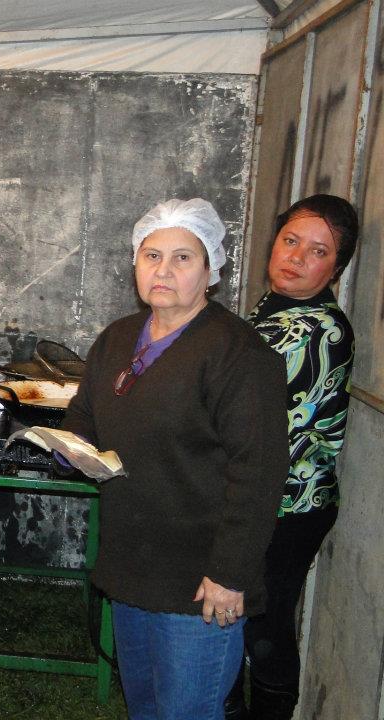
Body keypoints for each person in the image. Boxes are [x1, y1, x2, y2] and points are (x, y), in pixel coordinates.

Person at [58, 198, 289, 720]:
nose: (163, 270)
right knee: (145, 706)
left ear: (210, 272)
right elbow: (84, 415)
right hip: (133, 567)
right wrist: (69, 448)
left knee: (186, 711)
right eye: (151, 255)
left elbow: (259, 471)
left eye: (183, 258)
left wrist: (230, 573)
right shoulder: (118, 339)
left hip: (200, 583)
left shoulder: (239, 355)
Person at [224, 194, 358, 720]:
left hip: (290, 506)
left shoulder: (317, 330)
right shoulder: (273, 308)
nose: (297, 257)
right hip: (261, 496)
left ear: (337, 269)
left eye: (318, 251)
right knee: (237, 618)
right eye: (290, 240)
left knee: (265, 624)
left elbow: (267, 427)